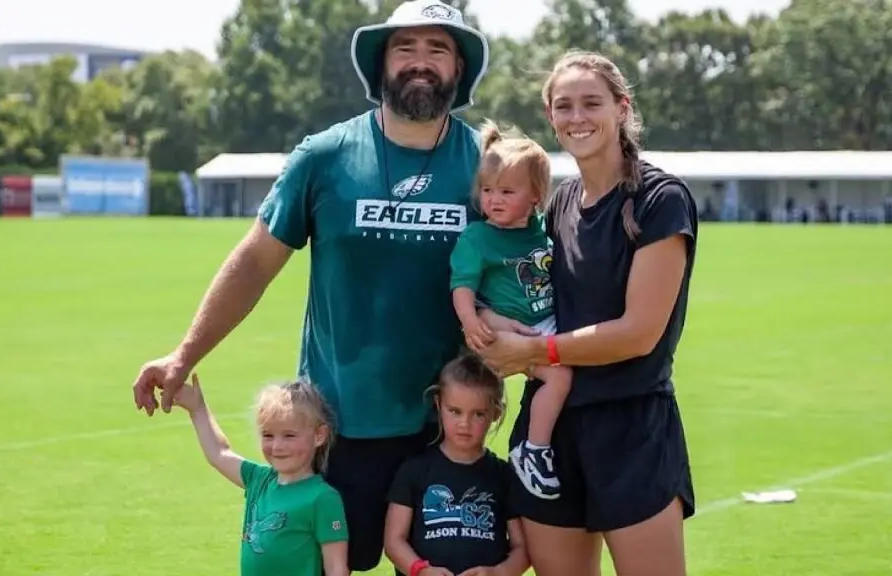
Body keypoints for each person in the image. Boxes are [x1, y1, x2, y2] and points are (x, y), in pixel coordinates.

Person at [130, 2, 526, 571]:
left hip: (448, 426)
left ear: (459, 70)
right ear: (380, 65)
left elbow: (526, 269)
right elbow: (253, 264)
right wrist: (185, 353)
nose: (421, 63)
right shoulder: (325, 157)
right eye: (405, 49)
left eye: (438, 50)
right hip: (339, 427)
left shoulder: (487, 168)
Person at [469, 50, 699, 576]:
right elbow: (512, 288)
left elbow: (638, 334)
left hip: (632, 428)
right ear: (550, 115)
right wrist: (490, 329)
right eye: (564, 106)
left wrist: (532, 351)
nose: (577, 118)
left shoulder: (659, 200)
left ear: (621, 108)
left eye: (591, 103)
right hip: (549, 437)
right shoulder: (557, 204)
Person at [449, 120, 571, 501]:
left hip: (542, 323)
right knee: (560, 376)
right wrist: (471, 321)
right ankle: (534, 449)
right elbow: (462, 286)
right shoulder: (478, 237)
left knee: (570, 369)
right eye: (487, 190)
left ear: (536, 196)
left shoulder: (541, 230)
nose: (493, 200)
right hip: (500, 332)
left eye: (506, 191)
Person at [172, 374, 349, 576]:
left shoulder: (323, 498)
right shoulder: (259, 480)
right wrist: (197, 409)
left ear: (319, 436)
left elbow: (337, 568)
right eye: (268, 435)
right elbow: (219, 454)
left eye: (289, 435)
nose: (277, 446)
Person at [383, 354, 529, 576]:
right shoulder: (414, 471)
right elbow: (394, 541)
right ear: (439, 404)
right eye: (455, 411)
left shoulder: (503, 474)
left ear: (495, 414)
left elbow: (523, 547)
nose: (464, 424)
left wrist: (499, 573)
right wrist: (421, 571)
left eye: (478, 414)